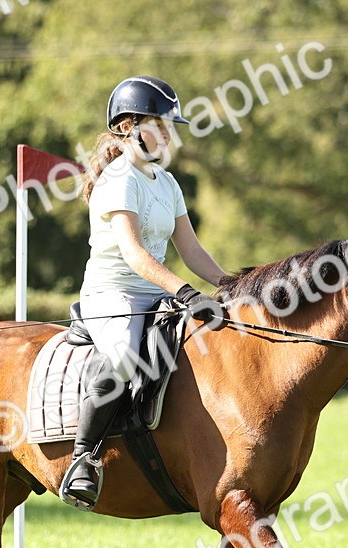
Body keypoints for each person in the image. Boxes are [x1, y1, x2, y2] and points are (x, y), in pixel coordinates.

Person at [60, 75, 229, 510]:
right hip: (112, 295)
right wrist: (186, 293)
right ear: (127, 126)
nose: (169, 134)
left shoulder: (166, 183)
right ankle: (83, 460)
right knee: (122, 359)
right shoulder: (119, 180)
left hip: (154, 295)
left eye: (170, 125)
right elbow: (135, 255)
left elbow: (190, 250)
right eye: (161, 123)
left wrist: (230, 286)